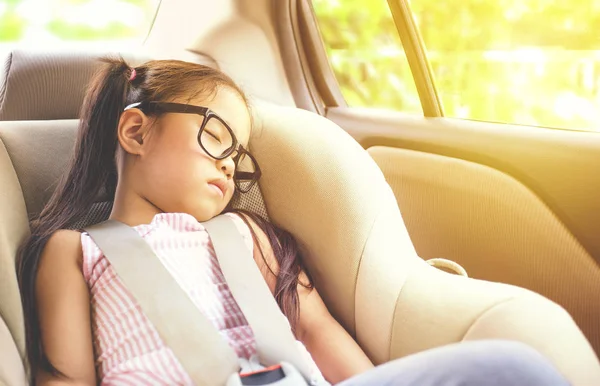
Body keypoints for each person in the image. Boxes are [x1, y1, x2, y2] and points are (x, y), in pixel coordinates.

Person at [16, 58, 569, 386]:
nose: (229, 165)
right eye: (216, 137)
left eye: (239, 155)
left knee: (514, 364)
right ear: (136, 133)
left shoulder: (245, 234)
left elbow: (316, 330)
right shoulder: (75, 251)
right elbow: (68, 378)